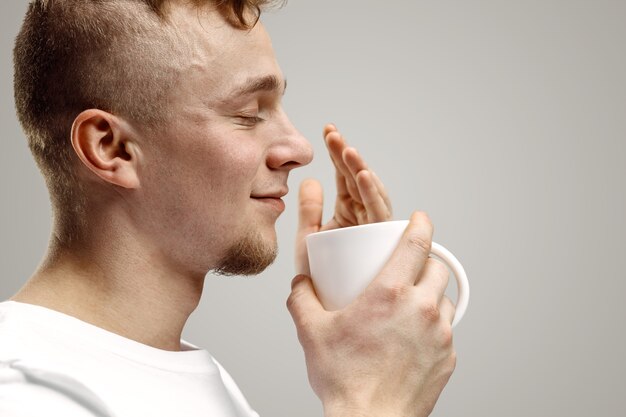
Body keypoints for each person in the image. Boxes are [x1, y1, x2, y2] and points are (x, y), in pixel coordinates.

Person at [0, 1, 457, 416]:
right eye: (249, 113)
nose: (298, 147)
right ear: (112, 147)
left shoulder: (194, 379)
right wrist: (372, 402)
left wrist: (352, 295)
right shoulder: (26, 391)